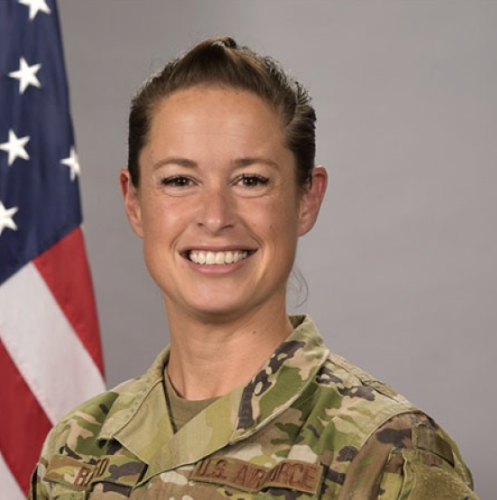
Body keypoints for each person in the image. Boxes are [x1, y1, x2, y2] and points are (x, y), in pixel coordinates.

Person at [28, 36, 479, 499]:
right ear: (134, 201)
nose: (216, 215)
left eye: (251, 180)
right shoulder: (77, 447)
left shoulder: (386, 452)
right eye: (179, 180)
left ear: (307, 199)